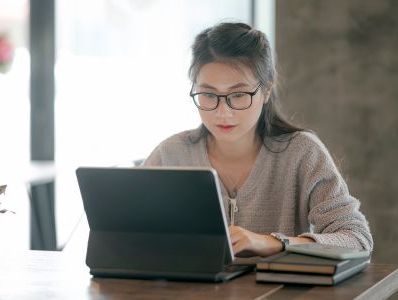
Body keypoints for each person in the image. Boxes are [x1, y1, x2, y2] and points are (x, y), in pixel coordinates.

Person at [142, 22, 373, 257]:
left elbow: (357, 238)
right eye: (209, 94)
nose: (223, 111)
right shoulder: (170, 154)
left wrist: (274, 243)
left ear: (266, 91)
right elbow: (126, 233)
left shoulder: (302, 152)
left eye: (239, 94)